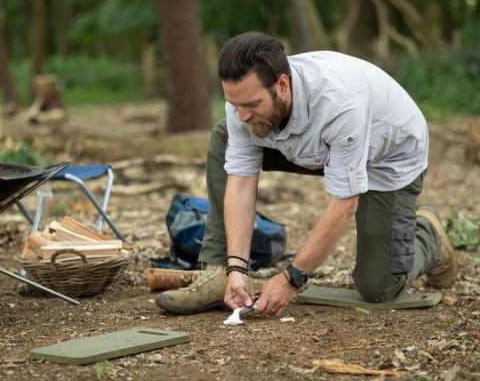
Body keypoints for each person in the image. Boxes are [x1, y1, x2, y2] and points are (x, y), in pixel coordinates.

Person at [156, 31, 457, 317]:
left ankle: (428, 235)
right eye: (234, 104)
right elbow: (241, 181)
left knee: (378, 286)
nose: (242, 114)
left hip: (386, 159)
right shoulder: (243, 103)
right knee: (225, 135)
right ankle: (220, 273)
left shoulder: (340, 104)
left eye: (251, 104)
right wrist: (237, 267)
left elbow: (343, 204)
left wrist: (291, 278)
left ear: (282, 86)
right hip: (317, 148)